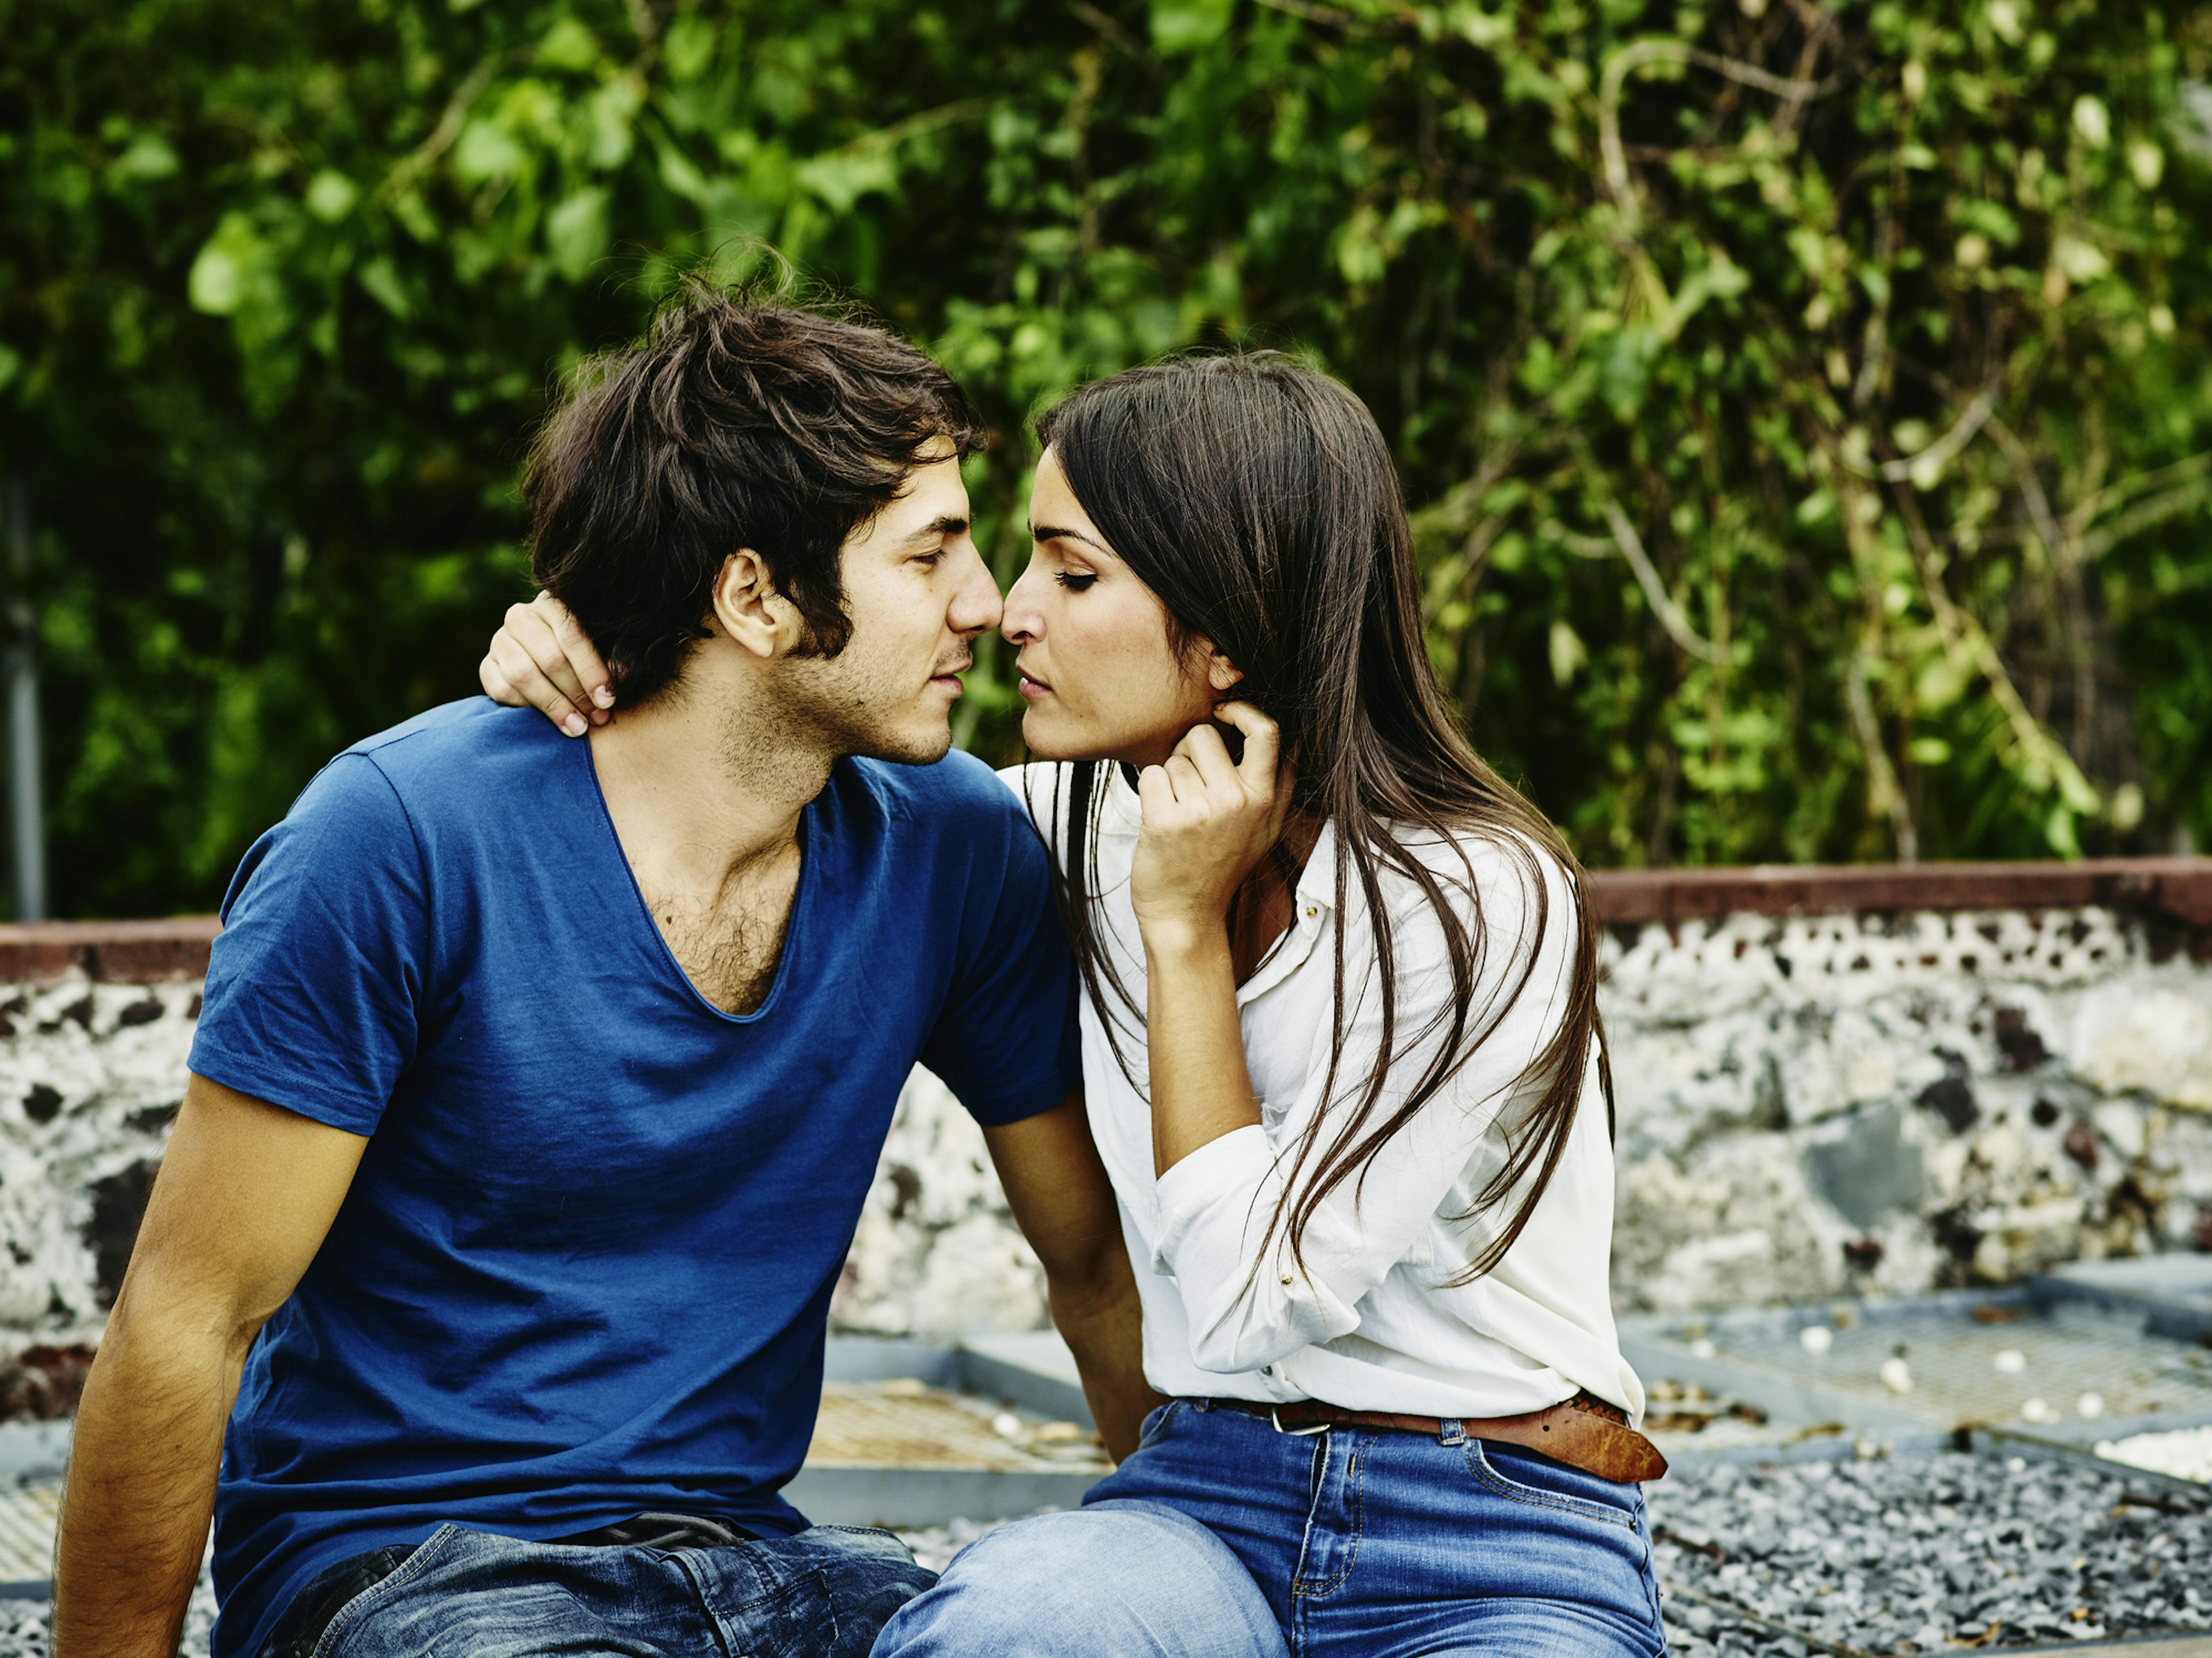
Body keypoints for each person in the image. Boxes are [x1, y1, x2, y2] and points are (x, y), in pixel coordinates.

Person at [484, 352, 1668, 1657]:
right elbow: (759, 749)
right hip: (1204, 1508)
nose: (1007, 611)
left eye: (1073, 570)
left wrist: (1180, 931)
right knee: (997, 1630)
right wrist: (601, 634)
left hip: (1497, 1535)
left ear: (1223, 630)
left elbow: (1243, 1298)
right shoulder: (1058, 825)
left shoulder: (1476, 899)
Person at [52, 286, 1156, 1658]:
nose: (986, 606)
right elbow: (186, 1313)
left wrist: (1176, 1556)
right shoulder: (400, 836)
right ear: (754, 594)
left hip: (755, 1560)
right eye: (931, 557)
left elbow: (1092, 1260)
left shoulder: (956, 852)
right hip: (416, 1573)